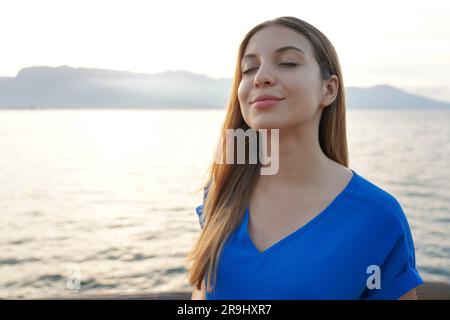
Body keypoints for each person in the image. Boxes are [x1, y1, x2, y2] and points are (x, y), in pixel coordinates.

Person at [186, 16, 423, 300]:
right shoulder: (221, 192)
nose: (260, 76)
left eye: (287, 62)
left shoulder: (378, 218)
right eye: (249, 68)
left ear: (329, 89)